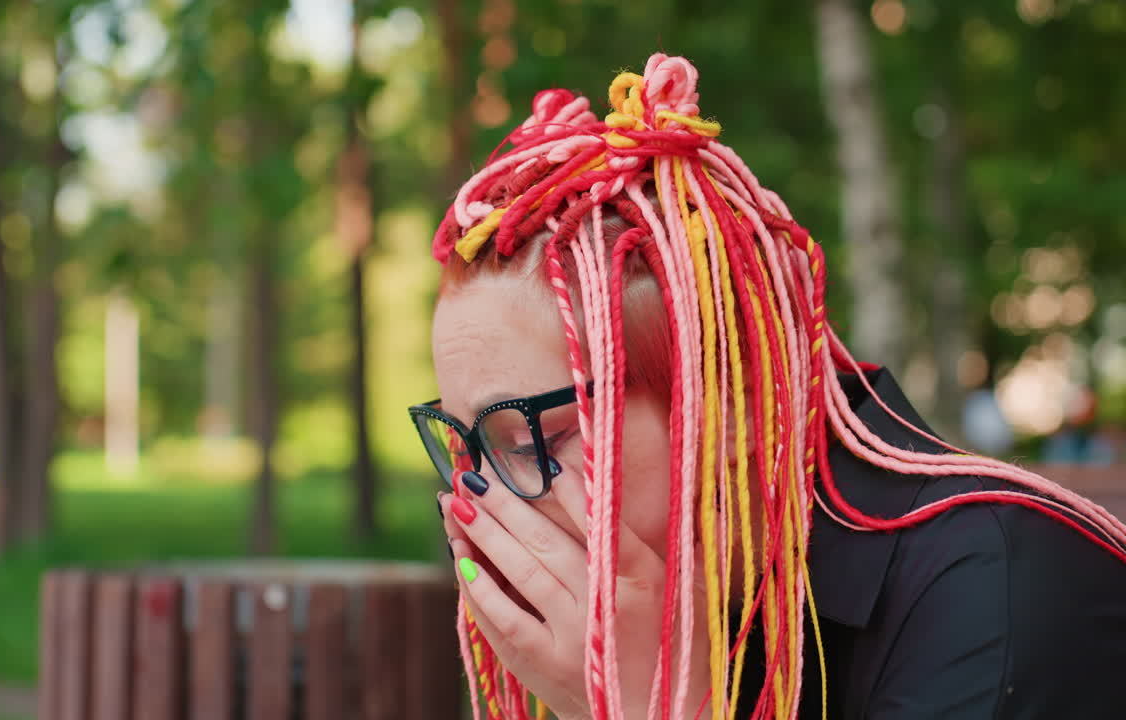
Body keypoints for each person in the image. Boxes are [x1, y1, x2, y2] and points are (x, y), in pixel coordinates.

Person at [408, 54, 1126, 719]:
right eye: (468, 445)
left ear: (732, 407)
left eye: (534, 438)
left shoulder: (994, 598)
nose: (490, 504)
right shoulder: (696, 600)